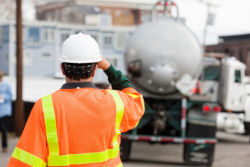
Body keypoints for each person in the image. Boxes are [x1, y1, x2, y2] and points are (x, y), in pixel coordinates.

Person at [7, 33, 144, 167]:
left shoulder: (45, 107)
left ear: (62, 68)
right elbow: (136, 101)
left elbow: (25, 163)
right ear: (95, 69)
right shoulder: (115, 102)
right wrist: (109, 68)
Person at [0, 70, 12, 153]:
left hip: (4, 110)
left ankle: (5, 146)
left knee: (4, 129)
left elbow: (10, 96)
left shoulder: (6, 84)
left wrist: (2, 96)